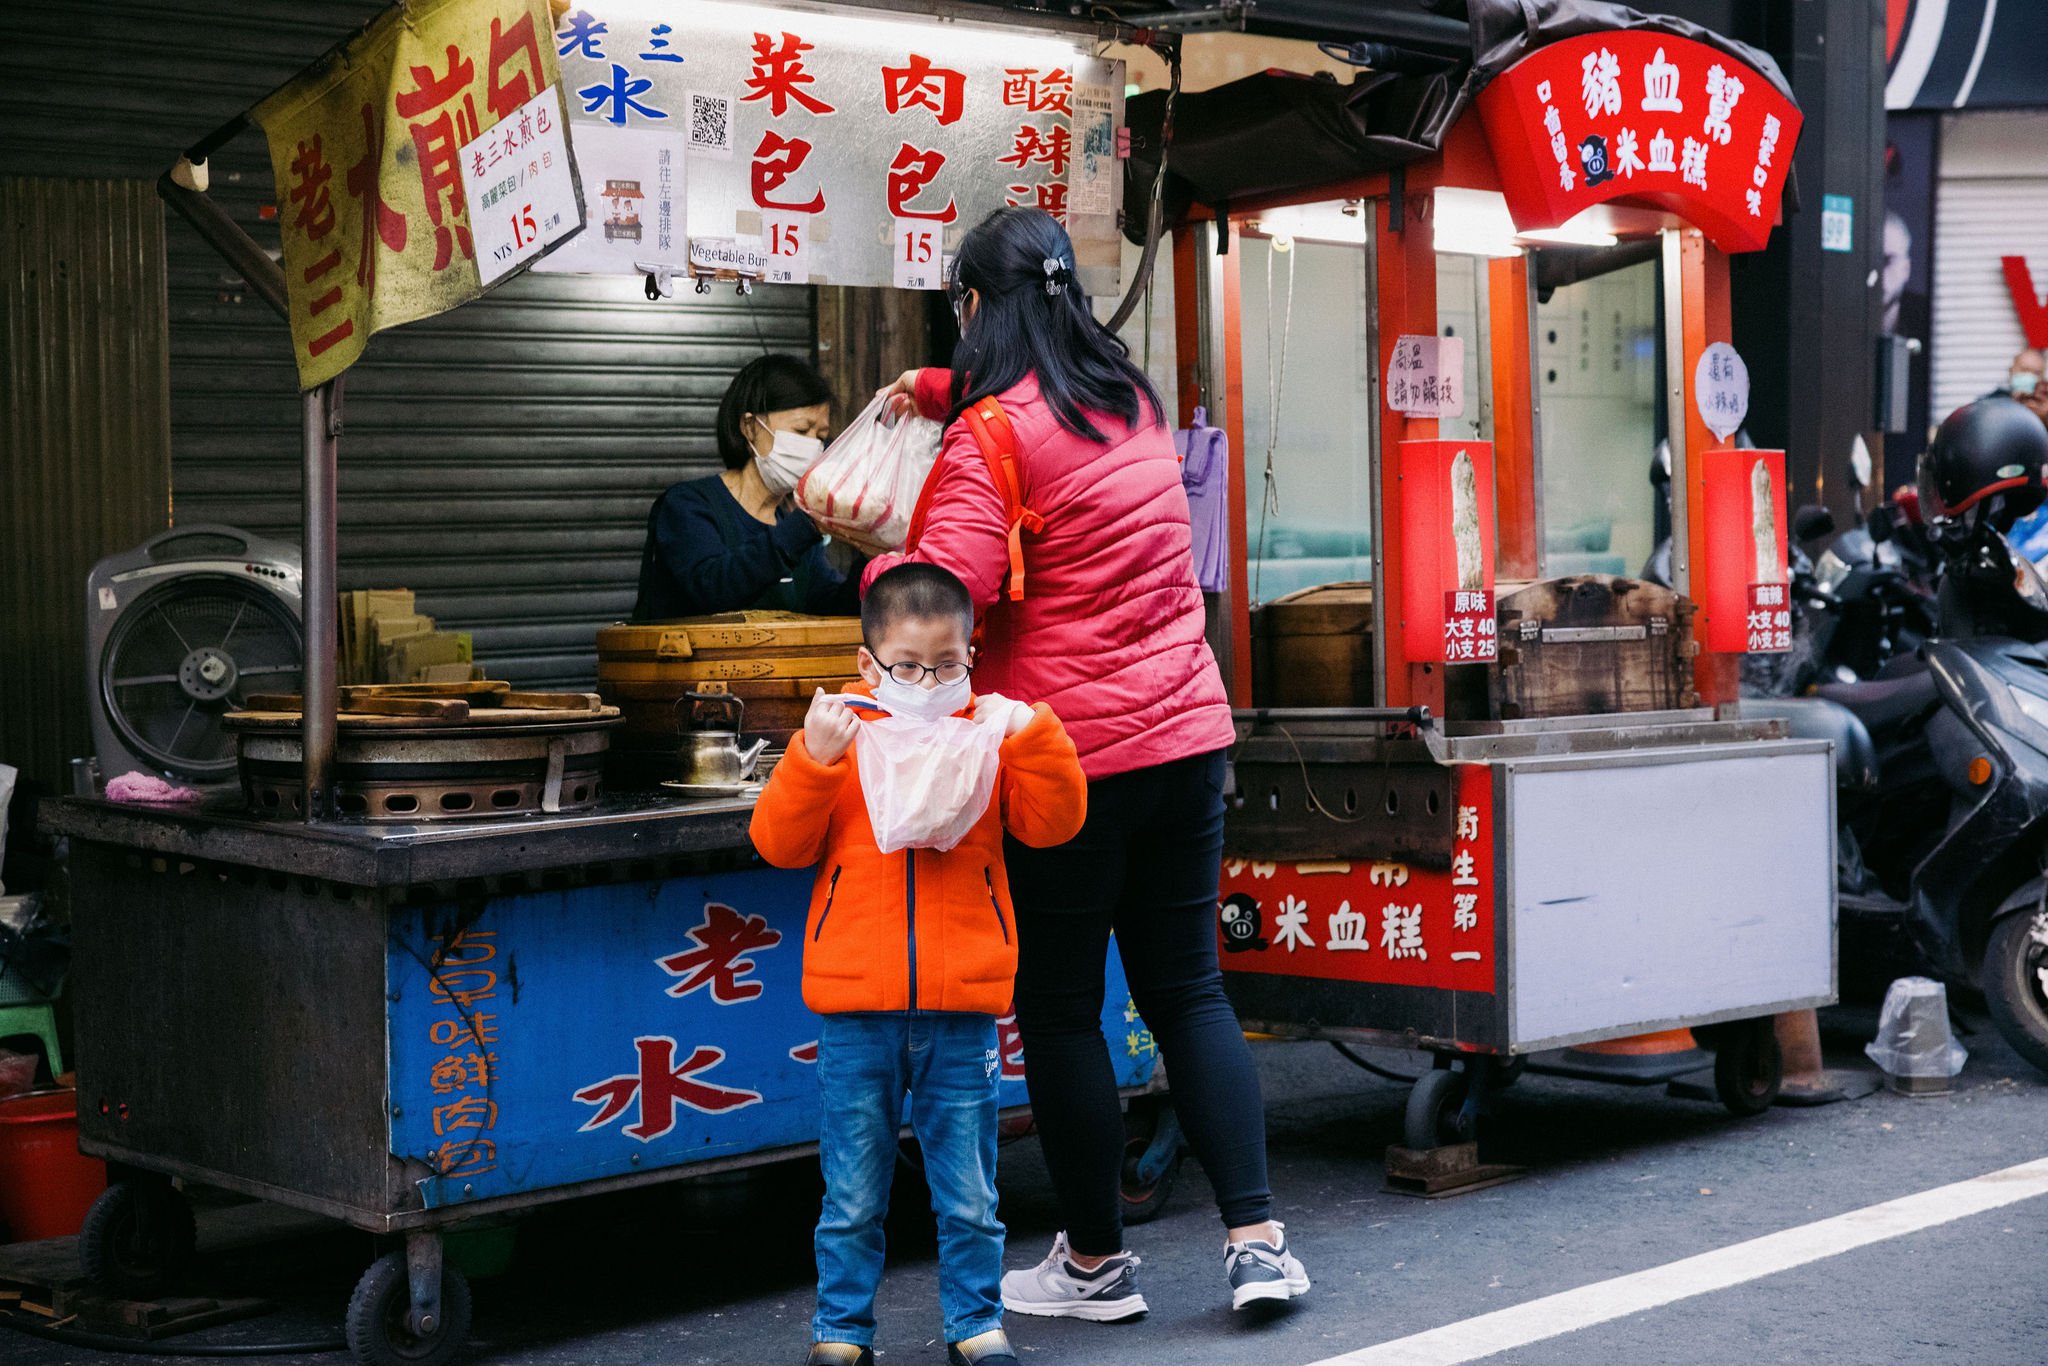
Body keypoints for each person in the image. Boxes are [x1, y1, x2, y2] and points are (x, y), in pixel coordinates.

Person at [866, 206, 1311, 1318]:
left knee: (1061, 1011)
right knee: (1187, 991)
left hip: (1072, 763)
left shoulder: (992, 442)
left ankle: (1096, 1263)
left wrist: (879, 572)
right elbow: (1013, 406)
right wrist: (926, 393)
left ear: (977, 309)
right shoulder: (1132, 401)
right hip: (1184, 739)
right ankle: (1257, 1241)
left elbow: (942, 596)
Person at [749, 563, 1087, 1366]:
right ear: (870, 664)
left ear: (973, 652)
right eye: (907, 666)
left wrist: (1032, 733)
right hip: (855, 1009)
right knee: (852, 1196)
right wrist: (811, 757)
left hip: (962, 1004)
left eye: (948, 663)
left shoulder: (987, 733)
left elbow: (1056, 824)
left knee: (970, 1196)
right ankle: (841, 1333)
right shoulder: (843, 734)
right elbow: (778, 843)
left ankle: (975, 1324)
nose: (929, 681)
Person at [633, 353, 861, 620]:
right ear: (750, 427)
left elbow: (831, 607)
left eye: (821, 437)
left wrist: (874, 556)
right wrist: (806, 525)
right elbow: (714, 589)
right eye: (801, 430)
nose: (813, 446)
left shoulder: (796, 528)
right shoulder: (687, 506)